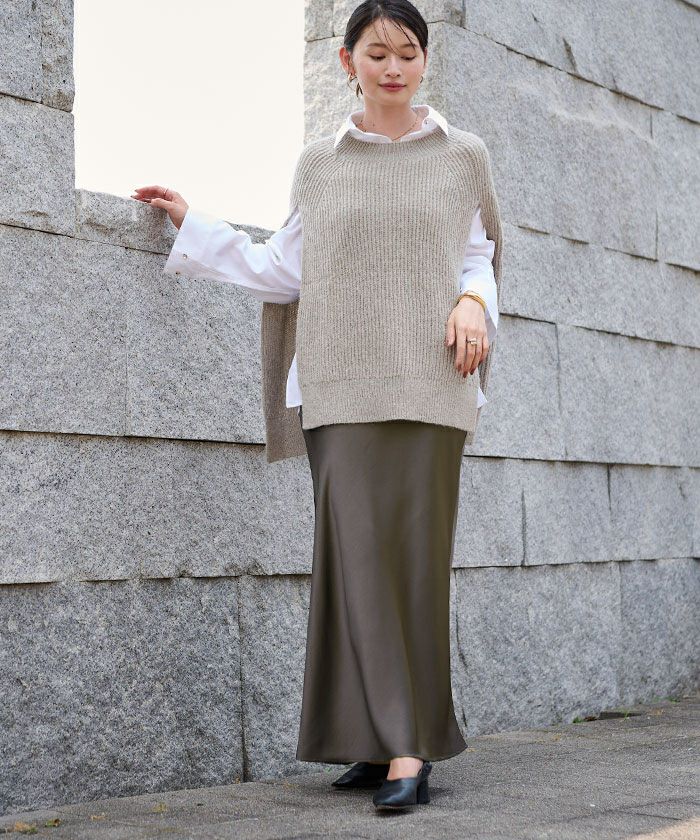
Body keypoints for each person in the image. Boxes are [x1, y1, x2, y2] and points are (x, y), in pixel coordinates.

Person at [132, 0, 503, 812]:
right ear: (348, 62)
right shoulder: (320, 165)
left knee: (413, 567)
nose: (394, 67)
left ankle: (408, 747)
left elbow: (478, 255)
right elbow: (282, 270)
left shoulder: (463, 156)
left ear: (425, 60)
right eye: (377, 52)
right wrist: (195, 225)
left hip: (431, 384)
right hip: (338, 386)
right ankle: (371, 740)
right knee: (353, 565)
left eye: (408, 52)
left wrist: (475, 302)